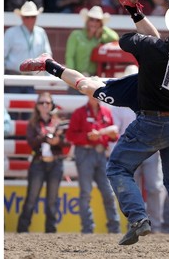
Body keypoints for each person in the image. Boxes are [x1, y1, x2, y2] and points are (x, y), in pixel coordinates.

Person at [19, 0, 169, 252]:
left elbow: (128, 41)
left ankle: (138, 217)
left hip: (149, 111)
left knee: (116, 164)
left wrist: (139, 27)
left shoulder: (154, 47)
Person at [108, 65, 166, 234]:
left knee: (153, 187)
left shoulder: (128, 99)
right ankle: (136, 223)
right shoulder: (123, 102)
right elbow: (116, 127)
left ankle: (154, 225)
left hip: (145, 148)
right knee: (135, 186)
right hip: (135, 149)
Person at [65, 94, 121, 234]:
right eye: (92, 93)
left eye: (97, 93)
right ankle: (87, 228)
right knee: (86, 192)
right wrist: (87, 137)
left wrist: (111, 135)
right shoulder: (80, 112)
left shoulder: (106, 112)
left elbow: (113, 136)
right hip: (85, 153)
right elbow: (70, 136)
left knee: (108, 192)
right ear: (88, 95)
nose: (95, 97)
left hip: (101, 154)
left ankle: (114, 229)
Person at [17, 92, 68, 233]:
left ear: (52, 105)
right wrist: (45, 136)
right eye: (42, 103)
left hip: (55, 163)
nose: (45, 105)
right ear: (37, 106)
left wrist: (58, 141)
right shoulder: (32, 123)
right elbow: (31, 143)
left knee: (52, 200)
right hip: (38, 163)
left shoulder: (59, 122)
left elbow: (66, 142)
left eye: (48, 103)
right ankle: (22, 230)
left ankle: (50, 231)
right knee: (31, 198)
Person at [4, 1, 53, 119]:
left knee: (30, 111)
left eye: (33, 17)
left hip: (31, 78)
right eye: (27, 17)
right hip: (13, 76)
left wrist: (50, 75)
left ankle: (28, 136)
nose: (30, 19)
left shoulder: (40, 33)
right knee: (12, 112)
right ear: (22, 17)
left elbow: (47, 56)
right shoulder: (11, 33)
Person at [65, 5, 119, 77]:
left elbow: (115, 37)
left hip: (93, 77)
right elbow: (69, 57)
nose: (94, 22)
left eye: (98, 20)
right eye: (92, 19)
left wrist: (102, 28)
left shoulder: (100, 38)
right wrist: (72, 75)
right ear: (87, 21)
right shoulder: (76, 35)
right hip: (76, 75)